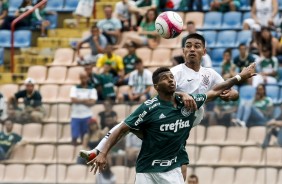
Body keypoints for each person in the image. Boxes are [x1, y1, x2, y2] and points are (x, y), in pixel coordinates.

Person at [79, 33, 240, 180]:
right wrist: (182, 94)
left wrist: (231, 95)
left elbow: (229, 91)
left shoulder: (210, 74)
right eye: (188, 46)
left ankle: (101, 150)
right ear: (183, 50)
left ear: (204, 51)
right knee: (127, 126)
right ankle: (97, 151)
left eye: (196, 46)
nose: (192, 49)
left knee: (127, 126)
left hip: (193, 115)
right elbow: (163, 93)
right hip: (172, 116)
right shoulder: (176, 72)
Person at [87, 65, 255, 183]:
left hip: (172, 170)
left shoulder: (189, 102)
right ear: (156, 86)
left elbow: (216, 90)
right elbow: (123, 128)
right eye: (165, 78)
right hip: (146, 170)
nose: (170, 80)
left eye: (172, 77)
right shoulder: (149, 107)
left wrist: (240, 76)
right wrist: (103, 153)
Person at [70, 72, 98, 145]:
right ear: (80, 78)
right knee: (74, 137)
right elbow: (73, 100)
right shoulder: (74, 88)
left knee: (85, 137)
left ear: (88, 78)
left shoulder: (92, 89)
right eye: (82, 78)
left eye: (85, 78)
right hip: (75, 115)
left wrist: (79, 100)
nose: (83, 80)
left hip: (87, 115)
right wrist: (85, 100)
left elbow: (93, 102)